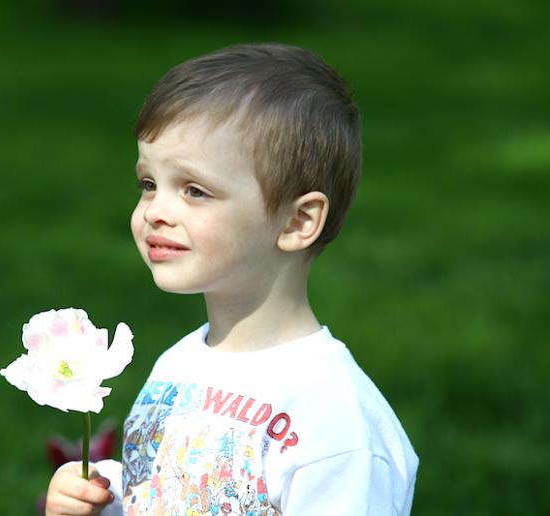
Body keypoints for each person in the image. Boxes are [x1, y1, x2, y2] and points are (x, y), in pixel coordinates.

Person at [45, 43, 419, 515]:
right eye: (149, 184)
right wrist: (100, 504)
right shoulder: (177, 369)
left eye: (195, 190)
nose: (156, 211)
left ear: (297, 222)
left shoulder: (337, 425)